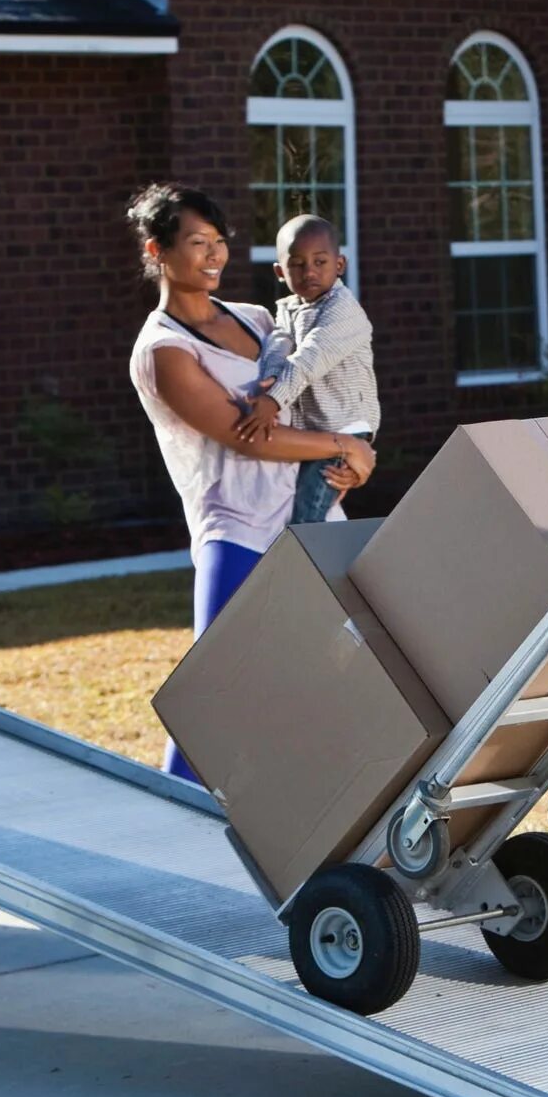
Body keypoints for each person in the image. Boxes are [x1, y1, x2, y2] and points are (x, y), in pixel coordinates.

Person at [124, 183, 376, 780]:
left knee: (347, 678)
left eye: (219, 244)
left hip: (311, 517)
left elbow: (313, 401)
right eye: (196, 244)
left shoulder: (261, 318)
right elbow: (246, 434)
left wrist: (355, 455)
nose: (213, 257)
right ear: (158, 251)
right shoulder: (162, 351)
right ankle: (176, 831)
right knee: (211, 697)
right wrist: (345, 446)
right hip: (235, 532)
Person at [232, 214, 381, 524]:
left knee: (308, 512)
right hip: (317, 428)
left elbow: (309, 359)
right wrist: (271, 376)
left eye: (320, 262)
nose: (309, 271)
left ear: (339, 265)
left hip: (345, 425)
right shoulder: (289, 307)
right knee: (295, 499)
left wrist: (273, 400)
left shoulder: (343, 311)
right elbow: (279, 341)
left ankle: (302, 564)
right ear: (280, 272)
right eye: (297, 264)